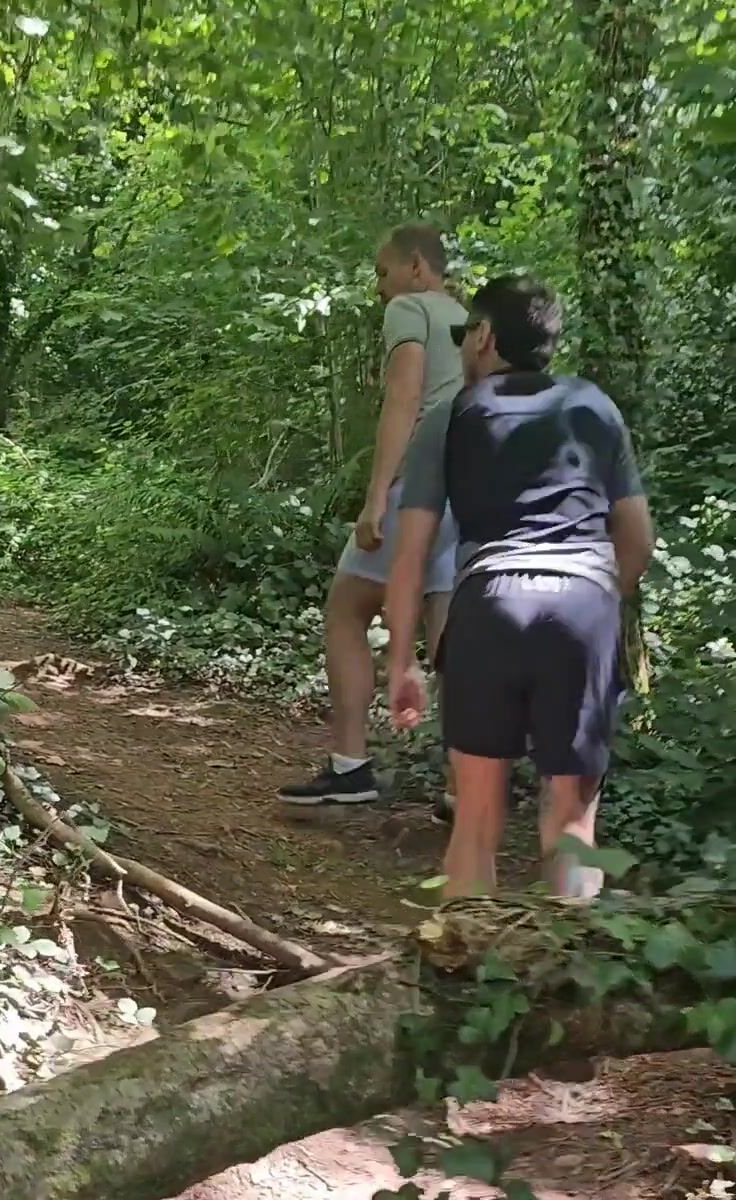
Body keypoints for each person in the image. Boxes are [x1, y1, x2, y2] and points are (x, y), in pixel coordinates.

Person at [385, 273, 654, 897]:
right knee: (573, 827)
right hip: (584, 604)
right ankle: (566, 955)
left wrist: (402, 661)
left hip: (490, 604)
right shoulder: (594, 406)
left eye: (464, 336)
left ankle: (467, 958)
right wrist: (593, 607)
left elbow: (412, 553)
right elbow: (637, 541)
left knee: (476, 824)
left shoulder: (452, 416)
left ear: (483, 337)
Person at [279, 223, 467, 811]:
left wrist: (378, 496)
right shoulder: (471, 321)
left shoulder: (410, 309)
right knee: (449, 635)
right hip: (469, 490)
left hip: (420, 488)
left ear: (416, 267)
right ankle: (465, 786)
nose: (379, 287)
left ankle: (350, 766)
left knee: (346, 610)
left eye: (383, 272)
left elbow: (404, 399)